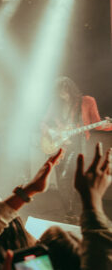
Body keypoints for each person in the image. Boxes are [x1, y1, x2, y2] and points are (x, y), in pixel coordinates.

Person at [41, 76, 112, 215]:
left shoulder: (87, 101)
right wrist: (53, 132)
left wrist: (107, 126)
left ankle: (73, 209)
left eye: (65, 91)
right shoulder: (55, 104)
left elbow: (96, 123)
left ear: (71, 89)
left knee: (68, 175)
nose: (63, 95)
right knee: (60, 178)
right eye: (60, 92)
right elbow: (43, 123)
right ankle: (69, 210)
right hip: (58, 143)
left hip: (77, 143)